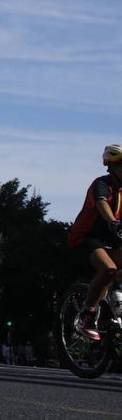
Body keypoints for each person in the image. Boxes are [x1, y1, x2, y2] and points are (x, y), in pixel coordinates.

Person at [67, 144, 122, 340]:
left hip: (113, 240)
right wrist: (113, 222)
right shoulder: (101, 184)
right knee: (108, 269)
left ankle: (114, 303)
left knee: (115, 272)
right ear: (111, 166)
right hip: (86, 237)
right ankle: (87, 315)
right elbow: (102, 204)